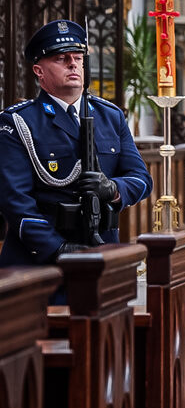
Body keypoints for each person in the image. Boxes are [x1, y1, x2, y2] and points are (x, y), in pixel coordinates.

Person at [0, 19, 153, 301]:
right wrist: (59, 249)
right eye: (62, 58)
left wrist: (113, 189)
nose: (73, 64)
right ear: (39, 71)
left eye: (78, 58)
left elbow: (142, 180)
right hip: (41, 267)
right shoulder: (18, 122)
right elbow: (15, 202)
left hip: (103, 255)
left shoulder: (110, 116)